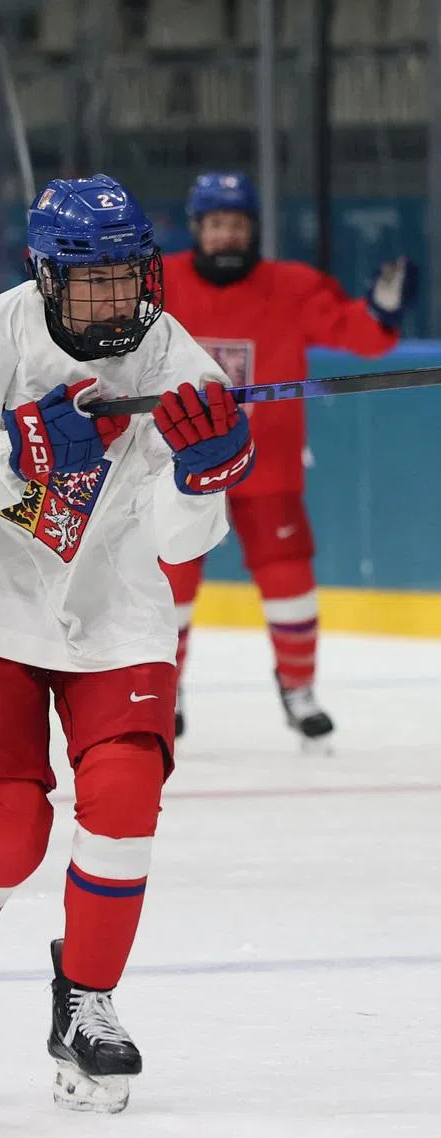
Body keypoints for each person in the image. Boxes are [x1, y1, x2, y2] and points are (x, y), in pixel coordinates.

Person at [0, 175, 255, 1112]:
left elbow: (182, 542)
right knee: (10, 828)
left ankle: (87, 1003)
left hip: (115, 612)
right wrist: (21, 450)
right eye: (92, 282)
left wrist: (206, 472)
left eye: (129, 277)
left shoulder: (182, 364)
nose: (116, 300)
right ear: (46, 278)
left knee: (128, 793)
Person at [161, 172, 416, 745]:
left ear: (252, 229)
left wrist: (383, 310)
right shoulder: (162, 282)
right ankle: (162, 691)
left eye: (238, 224)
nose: (228, 235)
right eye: (217, 224)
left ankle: (298, 691)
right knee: (165, 584)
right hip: (176, 467)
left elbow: (365, 337)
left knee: (289, 580)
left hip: (266, 465)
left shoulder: (292, 286)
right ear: (199, 228)